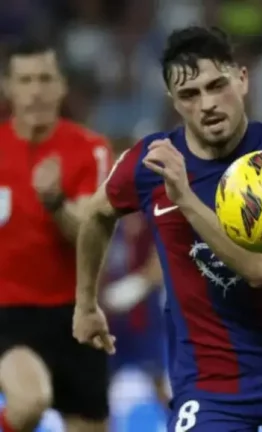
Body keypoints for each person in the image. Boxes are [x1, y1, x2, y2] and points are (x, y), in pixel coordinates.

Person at [72, 26, 262, 432]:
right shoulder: (151, 161)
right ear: (174, 101)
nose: (207, 104)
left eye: (216, 86)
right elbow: (96, 215)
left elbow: (261, 269)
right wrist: (85, 304)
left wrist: (184, 197)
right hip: (208, 389)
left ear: (242, 79)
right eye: (189, 94)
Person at [0, 40, 112, 432]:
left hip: (75, 314)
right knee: (29, 402)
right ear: (8, 87)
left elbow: (89, 233)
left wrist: (55, 202)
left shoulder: (90, 149)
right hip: (8, 313)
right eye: (25, 80)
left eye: (46, 79)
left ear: (62, 86)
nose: (36, 91)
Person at [101, 211, 169, 407]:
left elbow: (159, 268)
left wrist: (130, 290)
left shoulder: (155, 222)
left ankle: (177, 421)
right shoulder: (108, 226)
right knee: (101, 391)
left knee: (161, 387)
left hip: (146, 325)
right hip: (111, 326)